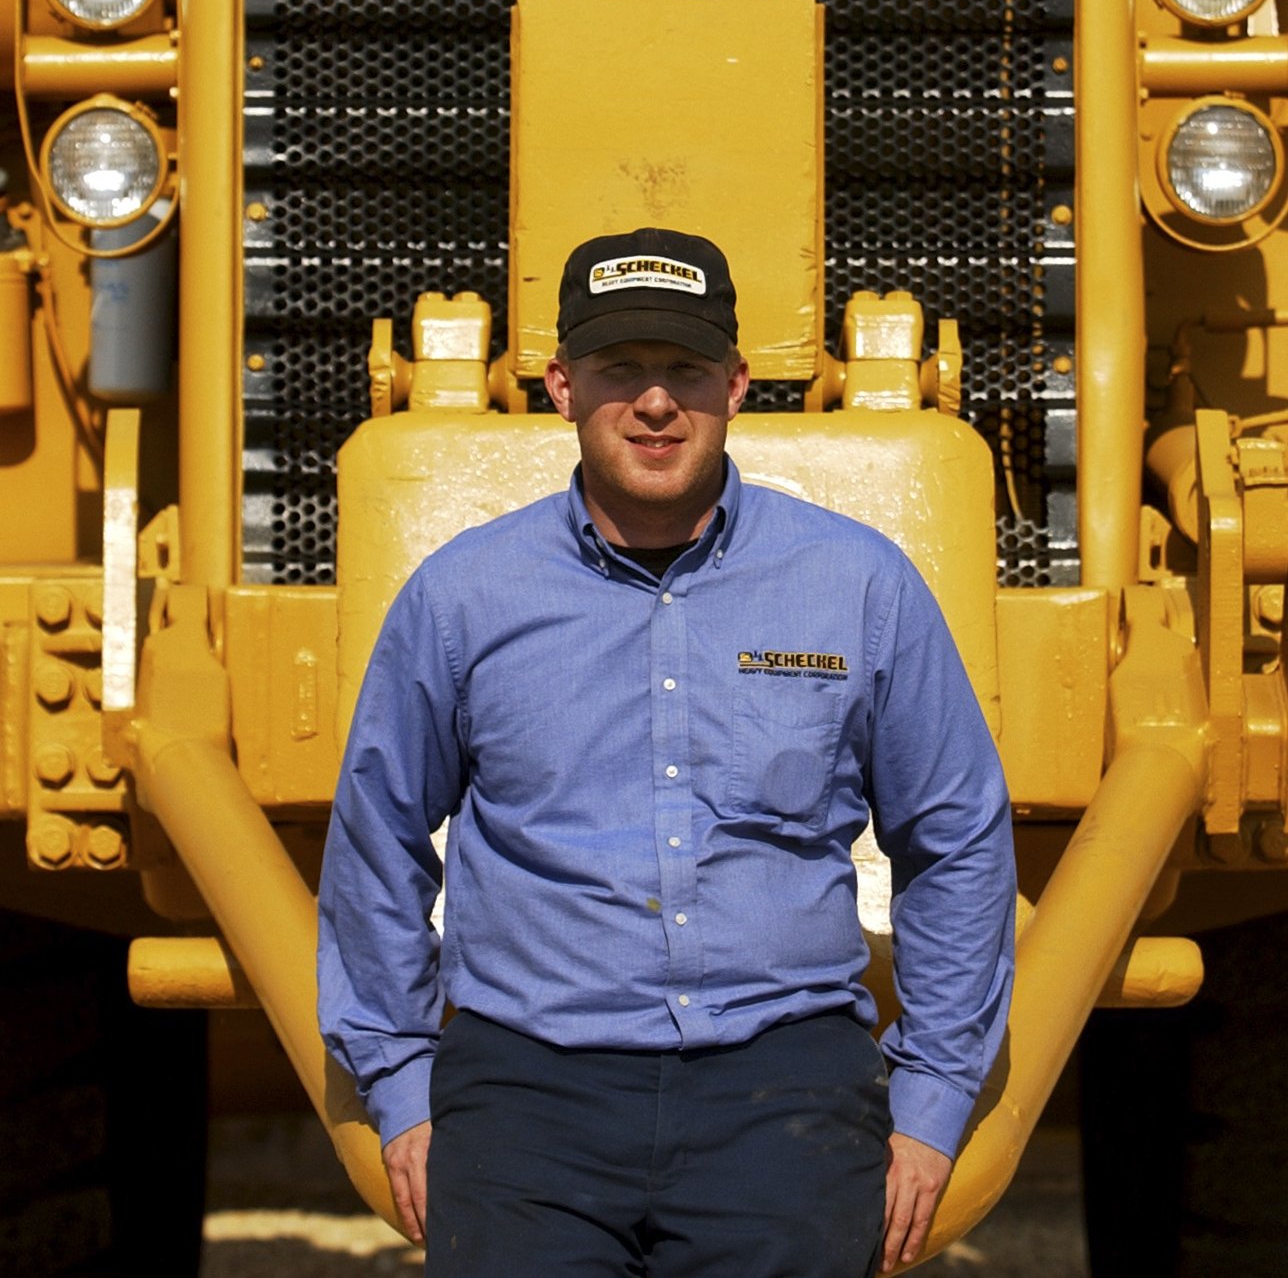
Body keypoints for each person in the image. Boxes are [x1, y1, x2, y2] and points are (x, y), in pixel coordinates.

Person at [318, 227, 1015, 1277]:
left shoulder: (859, 586)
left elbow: (956, 835)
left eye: (685, 369)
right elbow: (376, 834)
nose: (654, 402)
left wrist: (928, 1098)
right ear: (560, 383)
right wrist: (402, 1075)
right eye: (620, 369)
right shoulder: (463, 597)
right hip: (525, 1098)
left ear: (735, 384)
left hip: (785, 1095)